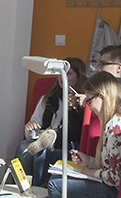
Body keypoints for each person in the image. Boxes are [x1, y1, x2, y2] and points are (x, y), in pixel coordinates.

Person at [47, 72, 121, 198]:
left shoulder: (116, 127)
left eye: (89, 101)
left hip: (118, 195)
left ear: (101, 97)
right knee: (57, 179)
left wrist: (89, 172)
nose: (89, 107)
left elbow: (115, 178)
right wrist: (90, 162)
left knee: (55, 185)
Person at [19, 57, 85, 186]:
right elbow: (31, 133)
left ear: (78, 77)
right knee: (23, 148)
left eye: (68, 74)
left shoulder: (82, 103)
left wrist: (73, 110)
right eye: (60, 73)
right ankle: (23, 188)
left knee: (41, 153)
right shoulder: (48, 99)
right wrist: (31, 129)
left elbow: (77, 133)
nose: (62, 77)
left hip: (67, 144)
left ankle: (37, 190)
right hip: (41, 138)